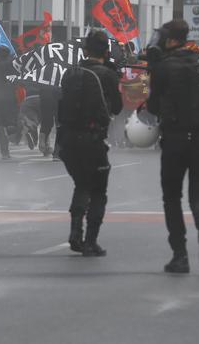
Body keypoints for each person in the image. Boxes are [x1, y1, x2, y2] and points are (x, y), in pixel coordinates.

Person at [146, 19, 199, 274]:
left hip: (175, 139)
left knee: (172, 196)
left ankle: (180, 255)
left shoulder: (165, 67)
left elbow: (153, 107)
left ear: (169, 40)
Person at [58, 31, 122, 257]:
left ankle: (76, 231)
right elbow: (117, 108)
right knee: (98, 191)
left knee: (82, 185)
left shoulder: (70, 73)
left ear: (85, 51)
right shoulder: (107, 75)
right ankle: (90, 240)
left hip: (67, 139)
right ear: (106, 52)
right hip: (93, 140)